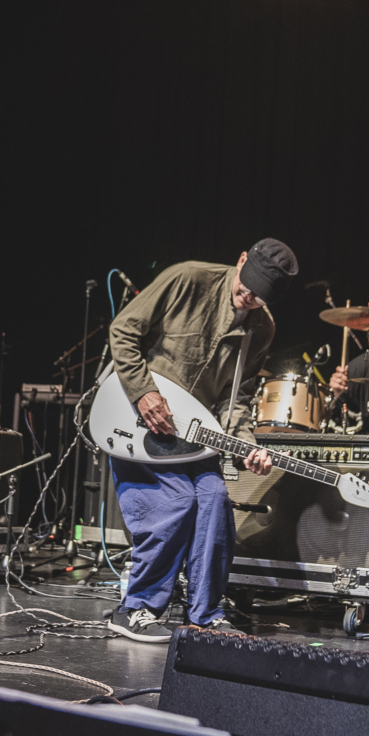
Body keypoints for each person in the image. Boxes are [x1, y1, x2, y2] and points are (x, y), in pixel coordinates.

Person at [104, 238, 299, 643]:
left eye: (258, 299)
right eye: (245, 289)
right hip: (138, 419)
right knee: (176, 503)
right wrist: (143, 391)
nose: (247, 300)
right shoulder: (188, 278)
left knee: (214, 502)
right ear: (241, 259)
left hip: (195, 438)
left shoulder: (261, 329)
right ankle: (134, 608)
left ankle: (206, 614)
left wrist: (247, 445)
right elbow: (123, 330)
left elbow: (239, 400)